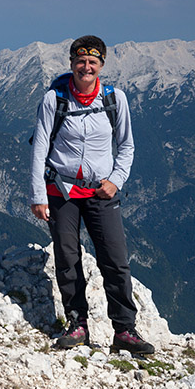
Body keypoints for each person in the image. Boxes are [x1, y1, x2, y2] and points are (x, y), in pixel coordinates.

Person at [29, 35, 154, 355]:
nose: (86, 67)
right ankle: (77, 324)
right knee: (67, 258)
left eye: (93, 62)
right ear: (71, 63)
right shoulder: (54, 99)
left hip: (101, 191)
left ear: (101, 65)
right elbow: (40, 148)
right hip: (62, 190)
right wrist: (38, 195)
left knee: (115, 259)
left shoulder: (115, 99)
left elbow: (127, 145)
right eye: (80, 61)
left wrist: (116, 181)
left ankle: (124, 330)